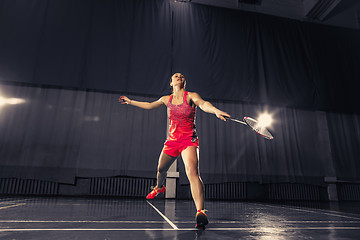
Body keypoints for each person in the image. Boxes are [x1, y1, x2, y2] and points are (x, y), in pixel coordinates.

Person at [119, 73, 230, 229]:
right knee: (160, 169)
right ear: (171, 83)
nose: (179, 76)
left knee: (192, 172)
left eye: (182, 76)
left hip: (188, 140)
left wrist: (216, 111)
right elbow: (150, 105)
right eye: (176, 76)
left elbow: (204, 104)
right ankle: (159, 187)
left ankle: (200, 212)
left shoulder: (191, 96)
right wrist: (130, 102)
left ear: (184, 81)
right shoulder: (166, 99)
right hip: (172, 141)